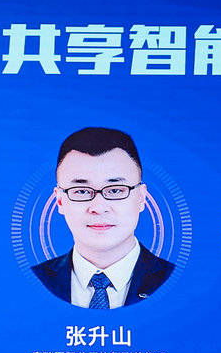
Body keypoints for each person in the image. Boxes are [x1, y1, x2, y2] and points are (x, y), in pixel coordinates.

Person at [32, 127, 174, 307]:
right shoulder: (34, 281)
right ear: (60, 201)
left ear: (141, 198)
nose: (99, 208)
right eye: (81, 191)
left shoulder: (175, 280)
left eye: (115, 190)